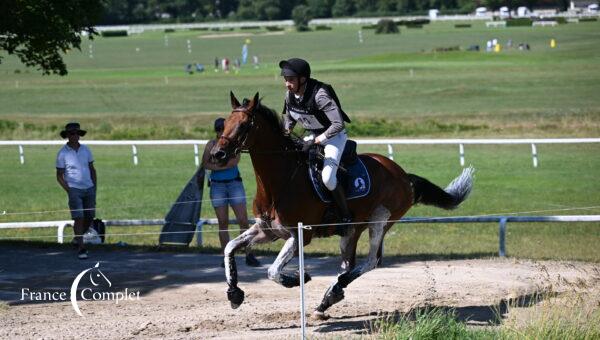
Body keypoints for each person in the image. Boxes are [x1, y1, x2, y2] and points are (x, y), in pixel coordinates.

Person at [279, 58, 353, 225]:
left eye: (290, 80)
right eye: (286, 80)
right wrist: (287, 129)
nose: (287, 84)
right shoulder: (289, 95)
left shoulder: (320, 95)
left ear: (303, 79)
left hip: (334, 137)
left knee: (327, 178)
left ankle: (345, 214)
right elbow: (289, 116)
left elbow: (338, 123)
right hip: (312, 136)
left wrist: (318, 140)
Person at [201, 118, 260, 267]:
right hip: (218, 187)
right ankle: (226, 257)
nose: (223, 132)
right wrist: (223, 164)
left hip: (234, 184)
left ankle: (249, 254)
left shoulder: (233, 144)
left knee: (243, 221)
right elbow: (205, 164)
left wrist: (216, 164)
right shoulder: (211, 145)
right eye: (220, 130)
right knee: (223, 223)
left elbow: (234, 161)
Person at [56, 122, 97, 260]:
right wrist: (69, 190)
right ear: (67, 136)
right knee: (78, 217)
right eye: (72, 133)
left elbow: (92, 169)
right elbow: (59, 175)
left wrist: (94, 187)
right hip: (74, 189)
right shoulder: (62, 153)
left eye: (77, 133)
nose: (75, 136)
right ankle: (81, 247)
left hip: (89, 188)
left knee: (90, 216)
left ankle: (76, 238)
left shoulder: (86, 150)